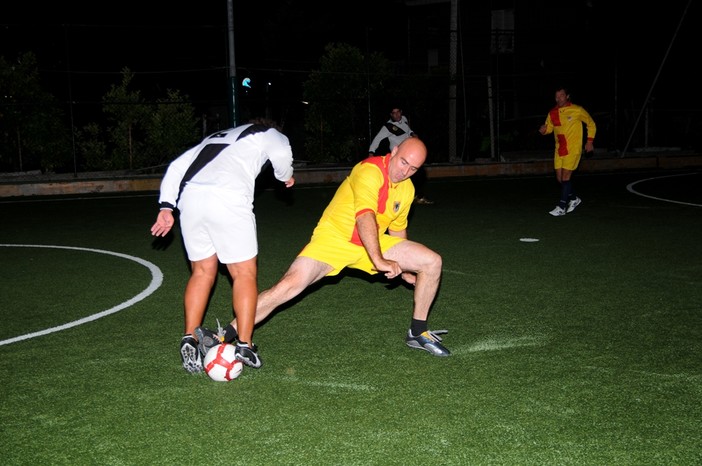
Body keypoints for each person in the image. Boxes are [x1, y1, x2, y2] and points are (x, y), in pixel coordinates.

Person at [200, 136, 450, 360]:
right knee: (288, 287)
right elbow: (364, 218)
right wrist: (379, 260)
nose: (405, 171)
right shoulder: (369, 170)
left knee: (431, 262)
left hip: (374, 242)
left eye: (413, 168)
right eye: (403, 162)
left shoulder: (407, 189)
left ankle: (418, 332)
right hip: (334, 239)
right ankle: (224, 335)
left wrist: (406, 268)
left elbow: (397, 230)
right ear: (394, 151)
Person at [150, 118, 295, 374]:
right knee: (244, 274)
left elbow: (176, 167)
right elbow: (282, 151)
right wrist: (285, 175)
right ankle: (245, 344)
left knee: (202, 272)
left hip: (191, 202)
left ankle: (189, 339)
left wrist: (166, 206)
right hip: (228, 200)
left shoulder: (216, 137)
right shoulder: (268, 132)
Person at [539, 86, 596, 216]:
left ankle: (561, 206)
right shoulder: (552, 112)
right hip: (559, 149)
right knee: (560, 179)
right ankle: (574, 199)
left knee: (565, 177)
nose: (559, 98)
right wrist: (544, 130)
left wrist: (589, 141)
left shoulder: (577, 110)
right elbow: (549, 128)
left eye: (562, 95)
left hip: (573, 148)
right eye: (557, 96)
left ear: (567, 96)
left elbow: (591, 123)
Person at [368, 106, 433, 205]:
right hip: (398, 156)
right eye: (394, 113)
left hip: (409, 153)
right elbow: (377, 139)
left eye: (398, 112)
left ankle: (415, 196)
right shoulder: (388, 127)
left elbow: (408, 129)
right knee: (397, 177)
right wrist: (371, 153)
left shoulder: (404, 119)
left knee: (416, 175)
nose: (397, 115)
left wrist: (412, 134)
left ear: (401, 112)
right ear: (391, 114)